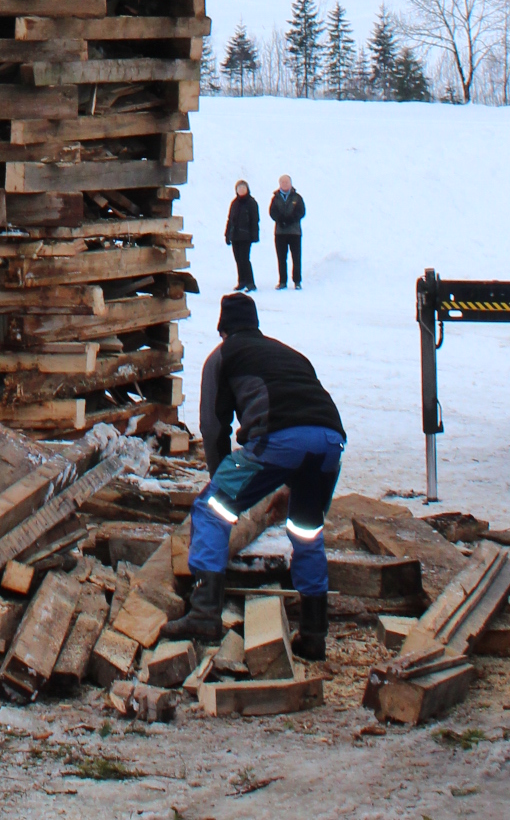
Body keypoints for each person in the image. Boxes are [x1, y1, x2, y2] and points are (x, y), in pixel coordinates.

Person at [165, 292, 347, 663]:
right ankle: (314, 635)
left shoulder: (222, 357)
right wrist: (295, 491)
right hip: (330, 439)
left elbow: (213, 427)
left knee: (211, 510)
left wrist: (221, 484)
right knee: (306, 530)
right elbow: (306, 416)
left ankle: (203, 614)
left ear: (222, 329)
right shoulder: (291, 354)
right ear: (256, 325)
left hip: (279, 438)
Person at [270, 173, 306, 291]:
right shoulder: (275, 198)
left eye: (286, 182)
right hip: (280, 232)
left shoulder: (297, 197)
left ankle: (297, 281)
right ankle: (282, 281)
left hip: (294, 232)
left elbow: (301, 212)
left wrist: (291, 219)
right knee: (281, 258)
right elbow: (272, 212)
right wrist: (281, 220)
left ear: (291, 183)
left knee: (296, 257)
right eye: (282, 182)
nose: (284, 184)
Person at [225, 179, 259, 291]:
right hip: (235, 236)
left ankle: (250, 283)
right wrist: (227, 234)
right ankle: (241, 281)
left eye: (243, 188)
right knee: (238, 259)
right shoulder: (234, 203)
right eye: (239, 188)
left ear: (247, 189)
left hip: (246, 236)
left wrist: (254, 235)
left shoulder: (251, 202)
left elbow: (255, 220)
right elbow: (230, 220)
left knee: (245, 259)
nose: (241, 190)